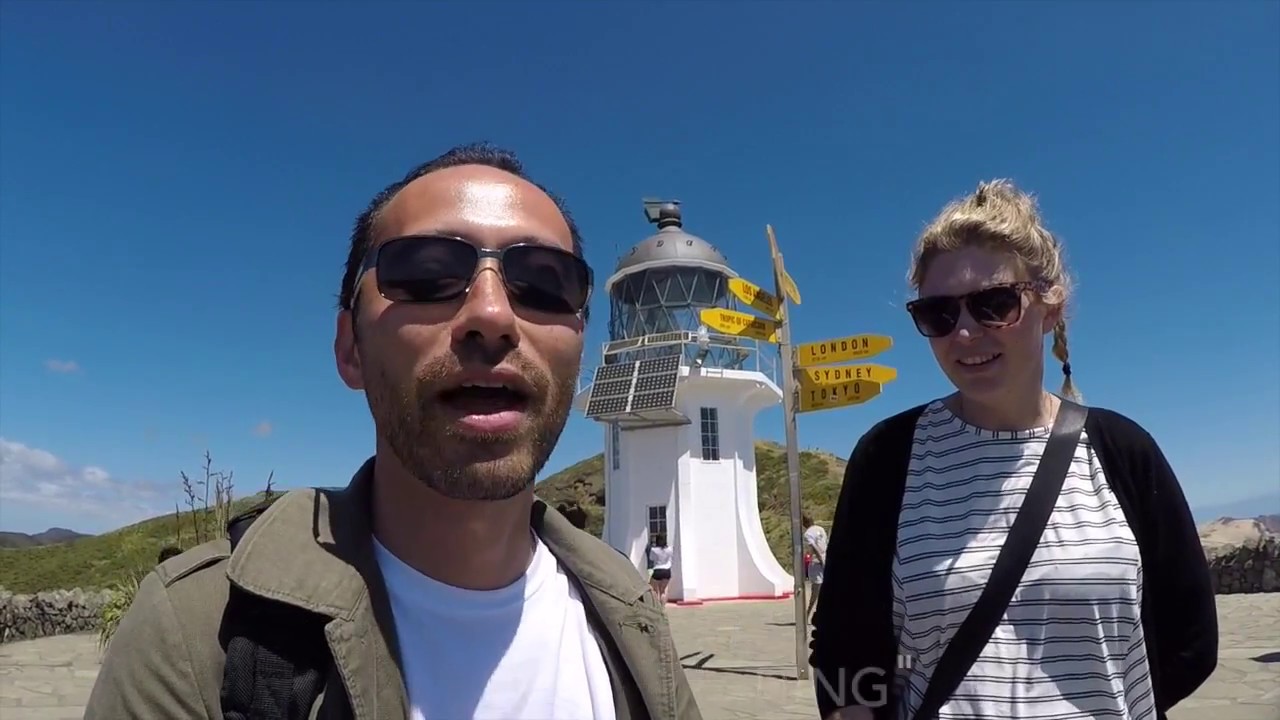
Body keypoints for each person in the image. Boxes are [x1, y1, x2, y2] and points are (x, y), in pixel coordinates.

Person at [85, 142, 702, 720]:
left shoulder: (632, 618)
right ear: (350, 347)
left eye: (545, 282)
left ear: (580, 342)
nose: (491, 315)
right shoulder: (201, 634)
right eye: (426, 272)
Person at [810, 180, 1217, 720]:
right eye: (939, 314)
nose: (964, 332)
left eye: (994, 304)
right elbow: (846, 647)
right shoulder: (889, 457)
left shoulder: (1121, 450)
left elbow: (1190, 640)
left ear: (1049, 308)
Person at [801, 513, 827, 621]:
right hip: (825, 558)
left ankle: (808, 614)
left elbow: (814, 547)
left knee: (815, 591)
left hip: (817, 562)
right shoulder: (820, 529)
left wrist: (820, 559)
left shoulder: (807, 534)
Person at [647, 533, 674, 604]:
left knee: (654, 590)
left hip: (657, 570)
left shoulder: (653, 550)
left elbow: (651, 558)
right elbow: (671, 557)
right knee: (663, 591)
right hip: (667, 571)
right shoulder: (669, 549)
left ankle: (656, 607)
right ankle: (663, 608)